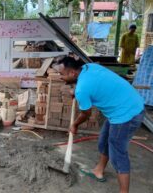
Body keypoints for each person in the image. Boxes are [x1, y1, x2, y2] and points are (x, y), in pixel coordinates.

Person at [56, 56, 144, 193]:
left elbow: (86, 114)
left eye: (62, 74)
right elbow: (92, 84)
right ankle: (99, 170)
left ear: (72, 73)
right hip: (124, 105)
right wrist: (77, 90)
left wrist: (74, 125)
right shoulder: (90, 67)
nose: (60, 77)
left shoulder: (82, 89)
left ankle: (124, 191)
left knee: (118, 154)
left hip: (127, 114)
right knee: (104, 141)